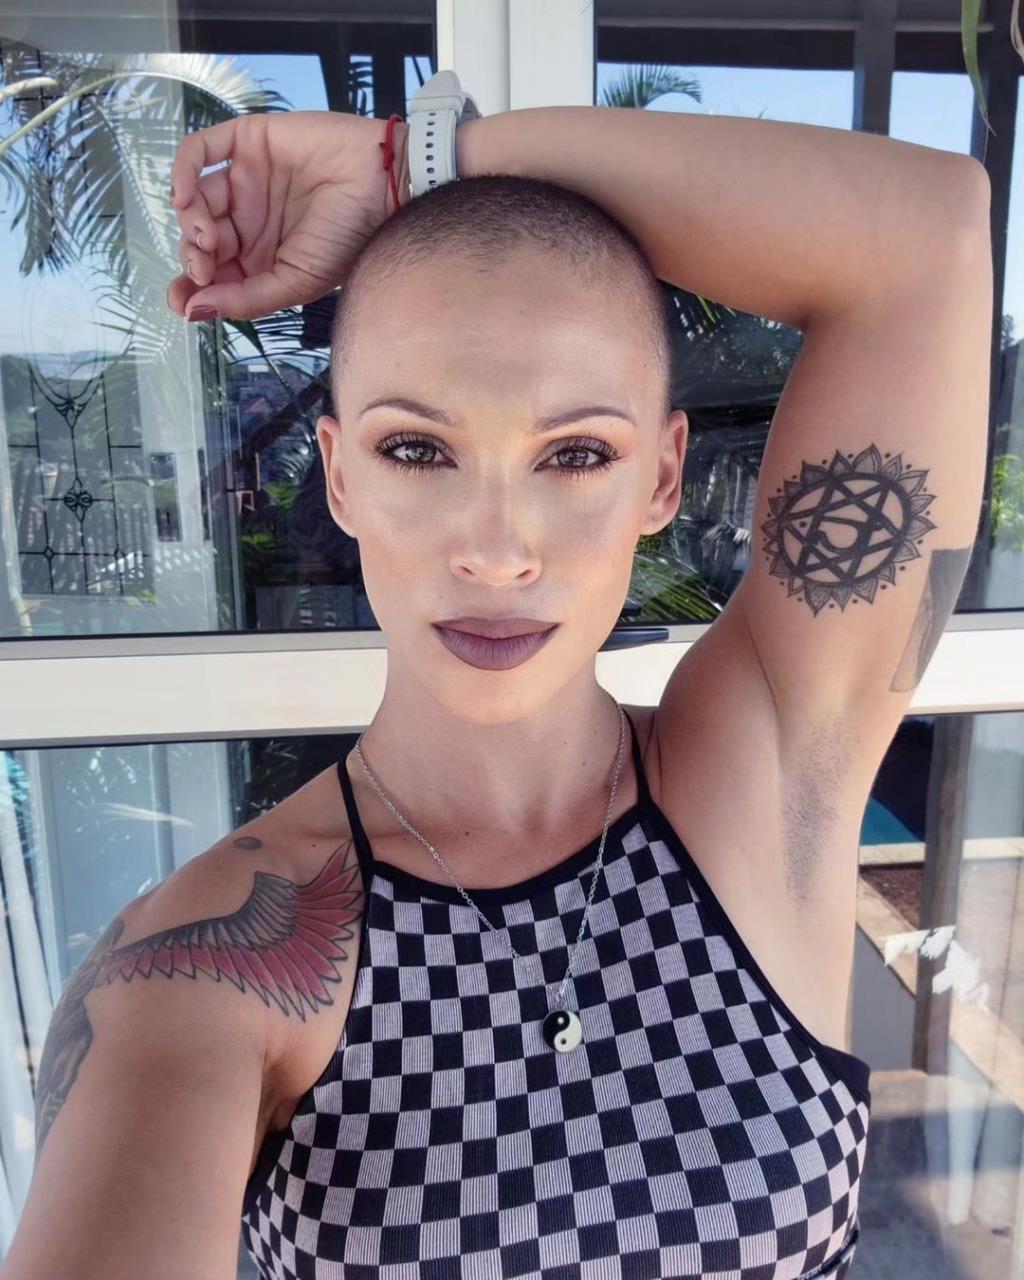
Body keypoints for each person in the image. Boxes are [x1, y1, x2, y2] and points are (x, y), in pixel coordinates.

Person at [2, 79, 992, 1280]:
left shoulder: (759, 776)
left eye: (574, 453)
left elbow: (929, 234)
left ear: (661, 477)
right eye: (417, 448)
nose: (497, 548)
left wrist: (407, 162)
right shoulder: (215, 963)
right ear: (340, 476)